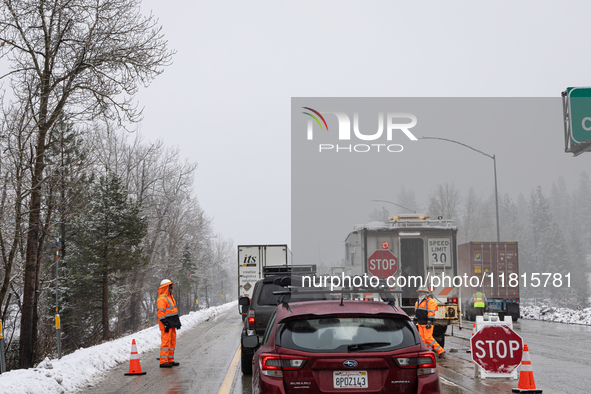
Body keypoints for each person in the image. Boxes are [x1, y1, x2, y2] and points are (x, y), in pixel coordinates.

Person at [413, 286, 445, 358]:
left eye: (421, 292)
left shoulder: (430, 302)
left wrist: (429, 322)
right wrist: (414, 321)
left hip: (427, 323)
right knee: (423, 339)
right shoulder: (418, 302)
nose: (419, 293)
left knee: (428, 338)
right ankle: (425, 353)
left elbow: (431, 312)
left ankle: (441, 351)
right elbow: (416, 312)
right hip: (421, 323)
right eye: (419, 292)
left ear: (425, 293)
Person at [157, 279, 182, 368]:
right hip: (166, 325)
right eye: (170, 287)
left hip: (172, 324)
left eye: (172, 287)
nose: (172, 288)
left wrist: (177, 323)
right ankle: (163, 361)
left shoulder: (170, 297)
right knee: (166, 342)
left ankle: (170, 360)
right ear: (165, 288)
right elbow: (160, 313)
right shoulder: (162, 299)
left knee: (172, 342)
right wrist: (165, 323)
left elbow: (173, 312)